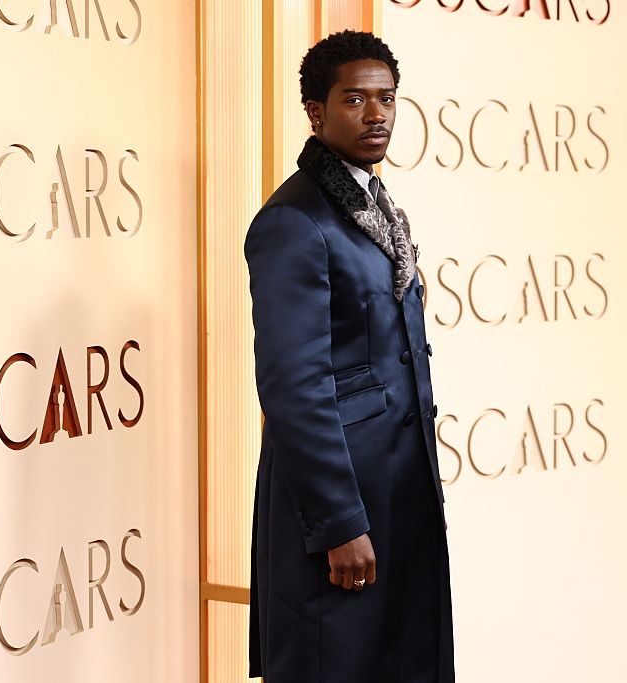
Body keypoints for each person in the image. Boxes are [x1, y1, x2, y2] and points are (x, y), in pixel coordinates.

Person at [244, 30, 455, 683]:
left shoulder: (371, 204)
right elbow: (293, 386)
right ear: (316, 111)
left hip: (396, 485)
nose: (377, 114)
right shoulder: (294, 220)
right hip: (339, 503)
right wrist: (338, 522)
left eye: (387, 98)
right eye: (355, 99)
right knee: (331, 663)